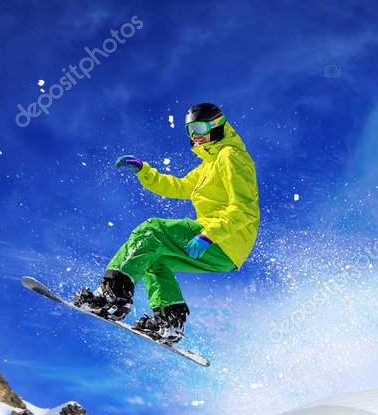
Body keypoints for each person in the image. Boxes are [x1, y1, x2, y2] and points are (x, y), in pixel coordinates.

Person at [74, 102, 260, 345]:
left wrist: (209, 234)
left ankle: (113, 296)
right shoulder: (208, 166)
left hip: (224, 237)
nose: (195, 135)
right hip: (223, 249)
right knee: (154, 259)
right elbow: (178, 186)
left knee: (151, 230)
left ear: (218, 126)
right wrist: (144, 171)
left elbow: (244, 210)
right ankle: (169, 320)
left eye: (200, 128)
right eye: (190, 131)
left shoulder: (231, 156)